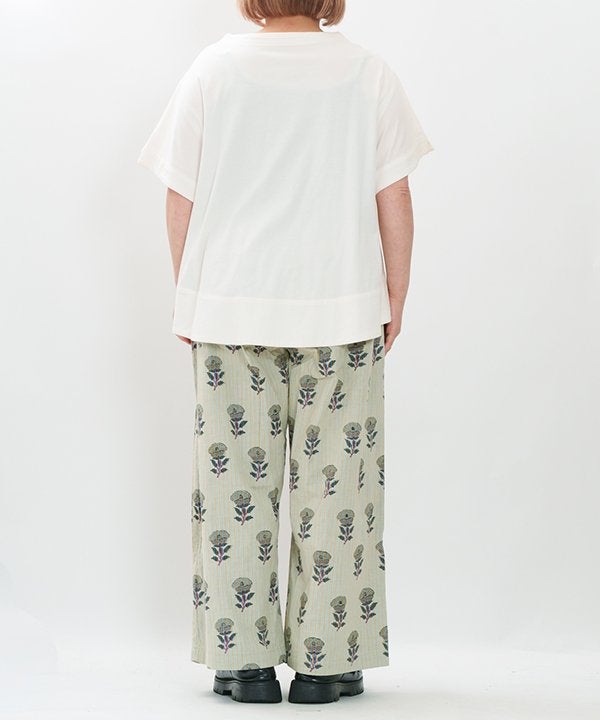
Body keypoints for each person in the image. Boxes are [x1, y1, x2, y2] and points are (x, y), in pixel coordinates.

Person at [137, 0, 433, 705]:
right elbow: (394, 194)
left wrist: (191, 292)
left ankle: (242, 664)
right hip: (341, 310)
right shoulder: (367, 72)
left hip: (231, 310)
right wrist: (394, 293)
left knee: (233, 488)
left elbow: (180, 194)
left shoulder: (213, 70)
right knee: (339, 488)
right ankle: (327, 665)